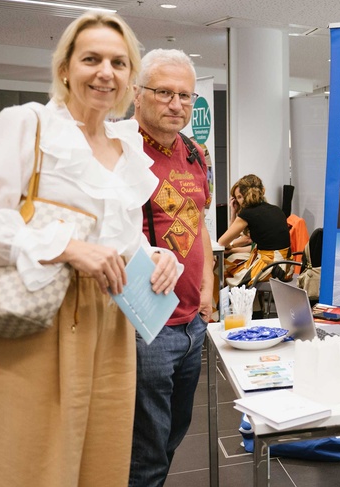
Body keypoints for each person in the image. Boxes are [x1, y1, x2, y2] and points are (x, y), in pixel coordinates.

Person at [0, 11, 181, 487]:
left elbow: (121, 240)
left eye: (119, 63)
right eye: (91, 59)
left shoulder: (126, 148)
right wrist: (65, 247)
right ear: (65, 67)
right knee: (33, 466)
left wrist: (157, 258)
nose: (106, 72)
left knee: (101, 468)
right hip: (37, 320)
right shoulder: (28, 125)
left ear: (129, 77)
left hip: (113, 324)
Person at [129, 49, 214, 487]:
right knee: (145, 448)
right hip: (145, 323)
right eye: (164, 92)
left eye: (186, 95)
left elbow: (199, 222)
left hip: (189, 324)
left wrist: (208, 289)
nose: (176, 104)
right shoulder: (118, 149)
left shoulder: (196, 154)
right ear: (137, 94)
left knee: (171, 437)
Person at [218, 174, 291, 284]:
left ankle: (225, 300)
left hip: (271, 267)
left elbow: (222, 241)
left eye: (239, 197)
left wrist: (233, 212)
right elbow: (257, 246)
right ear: (263, 191)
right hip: (286, 266)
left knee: (221, 268)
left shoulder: (248, 213)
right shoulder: (276, 209)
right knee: (232, 259)